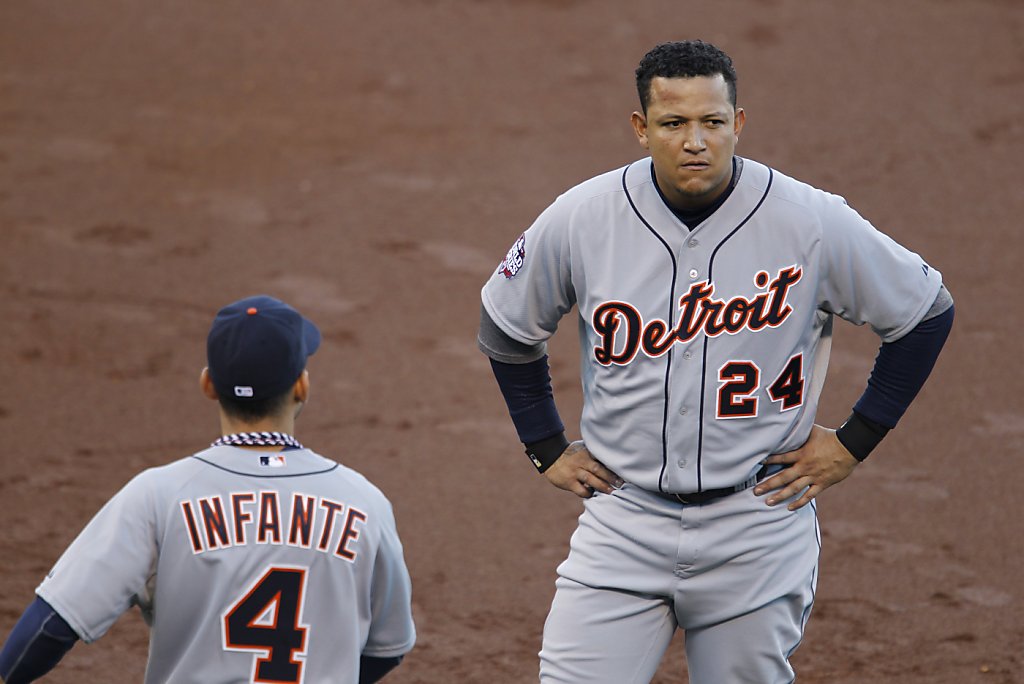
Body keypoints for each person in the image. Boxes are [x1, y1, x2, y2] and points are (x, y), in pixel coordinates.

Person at [478, 40, 953, 683]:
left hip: (758, 520)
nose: (695, 141)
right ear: (641, 129)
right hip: (626, 517)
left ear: (739, 124)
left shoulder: (809, 220)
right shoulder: (583, 217)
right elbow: (506, 325)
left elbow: (925, 310)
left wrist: (855, 440)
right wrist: (544, 444)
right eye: (674, 124)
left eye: (713, 122)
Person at [0, 295, 416, 684]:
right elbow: (386, 649)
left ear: (208, 385)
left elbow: (47, 630)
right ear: (302, 386)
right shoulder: (364, 502)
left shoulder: (158, 495)